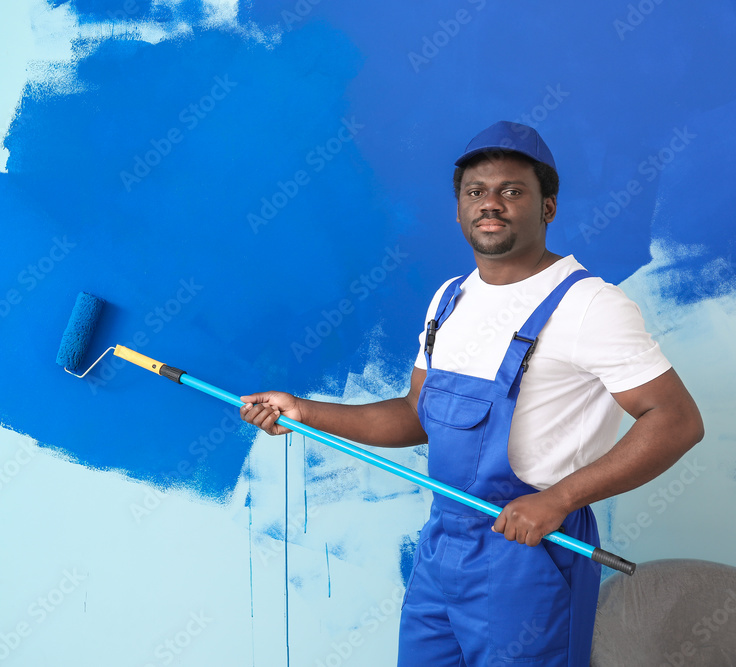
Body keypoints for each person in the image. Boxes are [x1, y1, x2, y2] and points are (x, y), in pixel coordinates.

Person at [239, 120, 704, 666]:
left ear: (547, 208)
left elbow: (676, 420)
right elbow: (416, 415)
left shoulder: (589, 305)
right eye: (476, 192)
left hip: (532, 553)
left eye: (512, 191)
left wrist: (560, 499)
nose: (491, 204)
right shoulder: (449, 300)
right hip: (443, 545)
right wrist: (305, 411)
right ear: (459, 208)